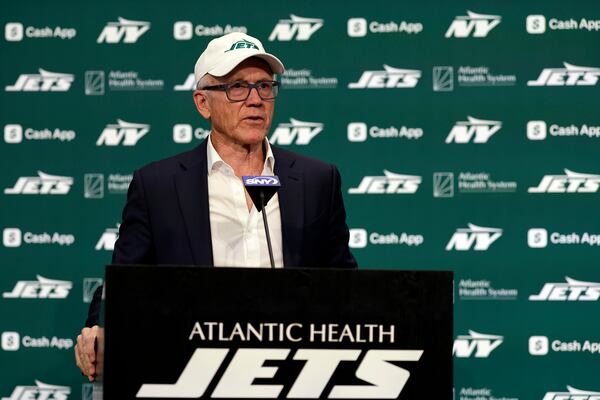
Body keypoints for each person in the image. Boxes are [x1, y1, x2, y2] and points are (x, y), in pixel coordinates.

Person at [74, 32, 357, 381]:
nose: (255, 100)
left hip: (293, 373)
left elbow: (346, 287)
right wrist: (99, 330)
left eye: (265, 86)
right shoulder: (159, 185)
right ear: (202, 103)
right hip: (193, 371)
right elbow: (123, 282)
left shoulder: (317, 180)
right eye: (237, 87)